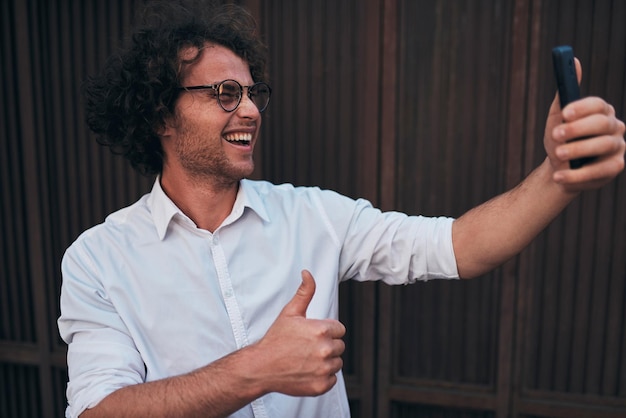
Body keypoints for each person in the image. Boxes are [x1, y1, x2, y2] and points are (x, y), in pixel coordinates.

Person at [57, 1, 625, 417]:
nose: (250, 110)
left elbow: (461, 247)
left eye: (254, 93)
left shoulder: (314, 217)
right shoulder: (98, 260)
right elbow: (97, 412)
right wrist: (257, 370)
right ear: (160, 113)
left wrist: (556, 176)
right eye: (225, 94)